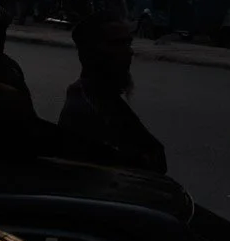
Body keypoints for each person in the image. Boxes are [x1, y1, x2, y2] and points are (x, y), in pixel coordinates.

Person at [60, 15, 166, 174]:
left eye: (128, 43)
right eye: (118, 44)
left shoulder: (104, 97)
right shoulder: (88, 107)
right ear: (92, 52)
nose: (129, 52)